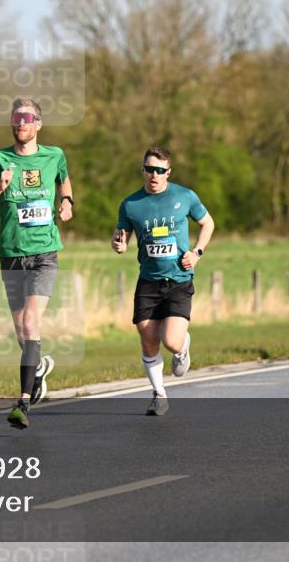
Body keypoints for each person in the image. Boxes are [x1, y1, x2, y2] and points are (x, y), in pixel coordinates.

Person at [0, 97, 74, 428]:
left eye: (27, 118)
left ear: (39, 125)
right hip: (11, 254)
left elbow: (63, 178)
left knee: (31, 323)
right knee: (21, 331)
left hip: (45, 253)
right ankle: (40, 366)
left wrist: (67, 202)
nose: (21, 123)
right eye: (16, 119)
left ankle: (23, 403)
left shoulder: (54, 155)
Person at [112, 147, 214, 415]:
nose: (154, 175)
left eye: (159, 170)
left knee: (170, 340)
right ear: (143, 171)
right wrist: (119, 244)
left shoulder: (185, 196)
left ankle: (182, 348)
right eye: (149, 169)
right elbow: (121, 234)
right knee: (148, 339)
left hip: (179, 279)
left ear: (168, 172)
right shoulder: (131, 204)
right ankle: (158, 394)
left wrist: (197, 253)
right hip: (148, 281)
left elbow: (208, 224)